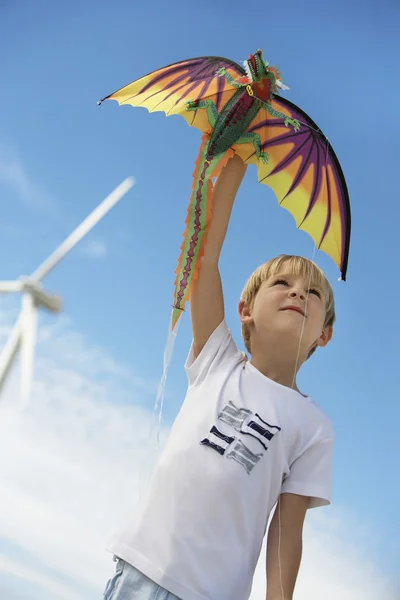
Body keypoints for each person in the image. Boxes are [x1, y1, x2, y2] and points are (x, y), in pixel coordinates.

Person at [102, 155, 336, 600]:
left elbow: (287, 530)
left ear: (323, 335)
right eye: (282, 284)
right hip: (138, 571)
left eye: (313, 293)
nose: (298, 292)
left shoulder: (315, 427)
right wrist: (237, 162)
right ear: (245, 310)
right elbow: (205, 260)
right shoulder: (218, 360)